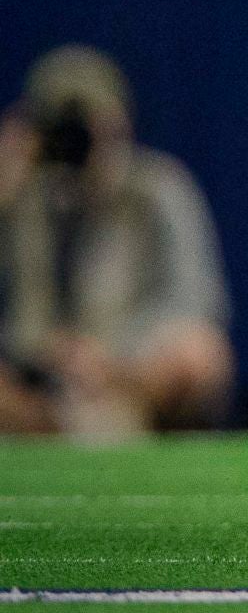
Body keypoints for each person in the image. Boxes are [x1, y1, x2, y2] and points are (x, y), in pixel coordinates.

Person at [0, 46, 233, 437]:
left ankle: (113, 426)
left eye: (83, 126)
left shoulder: (158, 189)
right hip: (35, 377)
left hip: (128, 369)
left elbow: (195, 299)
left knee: (199, 353)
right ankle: (59, 430)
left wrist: (107, 356)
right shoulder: (17, 196)